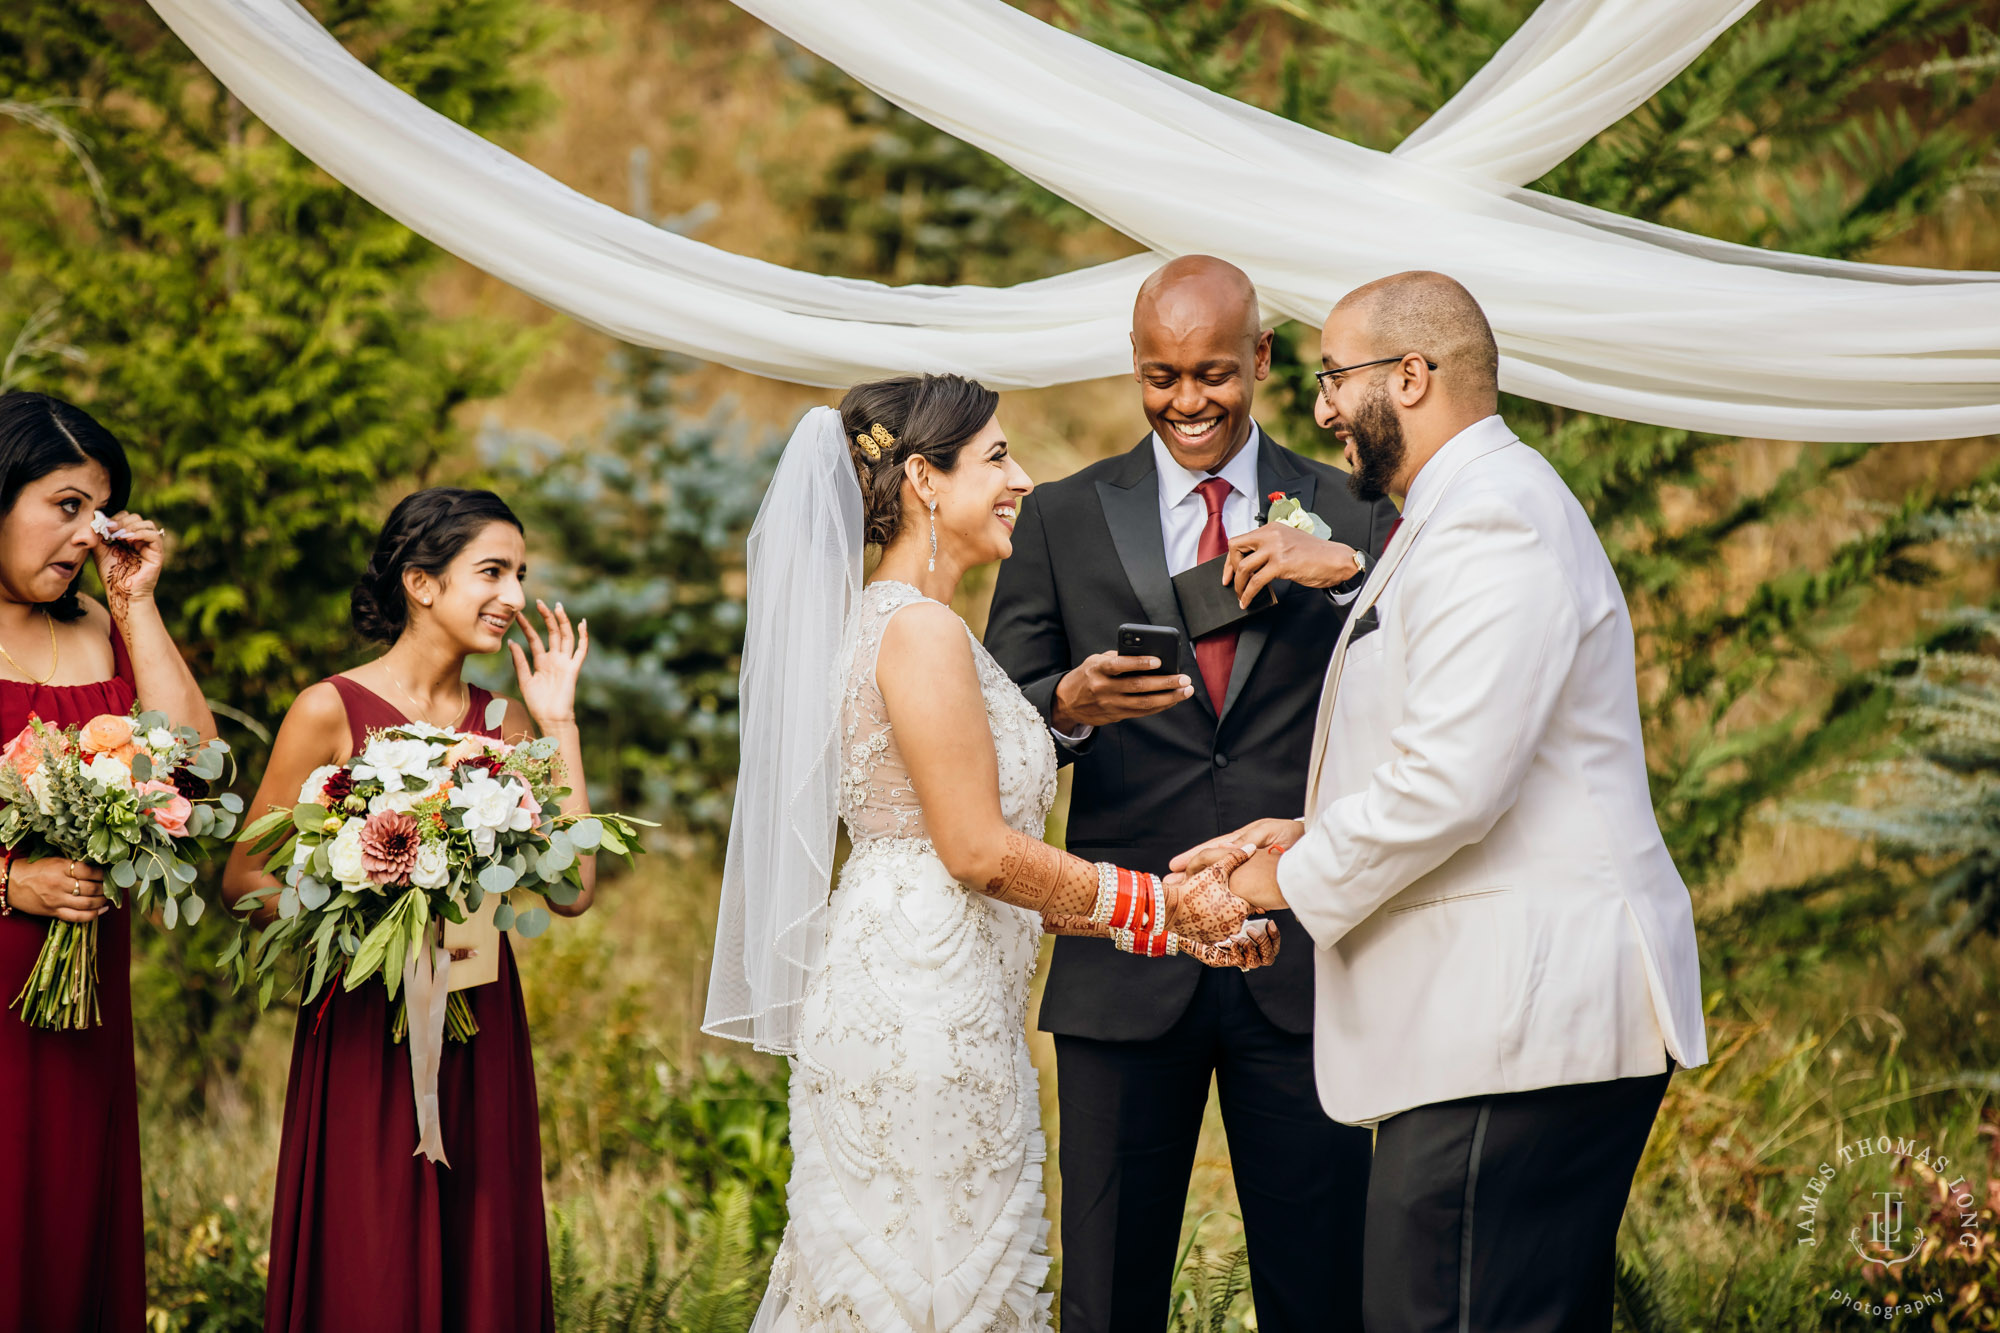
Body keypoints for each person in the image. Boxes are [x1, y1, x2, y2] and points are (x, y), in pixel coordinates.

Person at [1179, 271, 1709, 1332]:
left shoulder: (1493, 519)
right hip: (1495, 1027)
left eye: (1334, 377)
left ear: (1410, 376)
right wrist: (1306, 828)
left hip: (1516, 1023)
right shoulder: (1457, 512)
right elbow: (1445, 746)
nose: (1321, 405)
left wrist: (1268, 879)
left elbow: (1451, 783)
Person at [703, 374, 1278, 1333]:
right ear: (925, 480)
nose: (1024, 478)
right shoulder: (920, 630)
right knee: (929, 1286)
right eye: (998, 457)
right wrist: (1161, 908)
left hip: (943, 992)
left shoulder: (916, 627)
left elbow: (975, 845)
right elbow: (976, 850)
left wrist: (1166, 922)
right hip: (921, 1012)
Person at [982, 257, 1395, 1332]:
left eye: (1211, 372)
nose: (1186, 401)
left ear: (1259, 359)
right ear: (1134, 369)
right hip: (1125, 959)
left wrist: (1341, 568)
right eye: (1159, 376)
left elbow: (1428, 676)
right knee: (1105, 1294)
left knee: (1322, 1289)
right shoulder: (1060, 519)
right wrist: (1069, 702)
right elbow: (989, 730)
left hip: (1303, 951)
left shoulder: (1359, 509)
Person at [223, 487, 593, 1333]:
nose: (514, 596)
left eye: (521, 574)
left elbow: (572, 891)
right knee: (372, 1253)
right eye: (491, 571)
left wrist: (559, 720)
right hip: (367, 1021)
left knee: (477, 1249)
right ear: (421, 583)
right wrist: (360, 901)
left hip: (479, 1019)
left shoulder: (501, 722)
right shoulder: (330, 709)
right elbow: (244, 878)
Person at [0, 391, 215, 1332]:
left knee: (68, 1230)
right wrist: (9, 882)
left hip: (82, 994)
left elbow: (196, 768)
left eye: (100, 510)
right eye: (65, 505)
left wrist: (137, 606)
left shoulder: (102, 626)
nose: (89, 533)